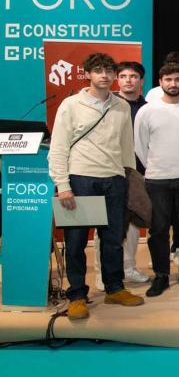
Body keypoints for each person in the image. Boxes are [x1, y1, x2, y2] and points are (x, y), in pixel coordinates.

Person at [49, 53, 145, 319]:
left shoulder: (121, 106)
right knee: (77, 240)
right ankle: (77, 295)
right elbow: (58, 148)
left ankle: (114, 288)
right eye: (98, 70)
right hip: (80, 179)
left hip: (114, 180)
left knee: (114, 240)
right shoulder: (70, 105)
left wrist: (130, 180)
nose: (105, 75)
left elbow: (127, 147)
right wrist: (63, 185)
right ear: (88, 74)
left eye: (109, 71)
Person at [134, 62, 179, 296]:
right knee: (158, 230)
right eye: (168, 80)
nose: (173, 84)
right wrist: (155, 167)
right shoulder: (147, 110)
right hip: (157, 179)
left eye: (177, 79)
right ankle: (161, 275)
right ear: (160, 82)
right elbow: (140, 146)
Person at [92, 60, 151, 290]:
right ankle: (102, 272)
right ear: (118, 79)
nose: (129, 80)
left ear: (141, 81)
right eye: (124, 76)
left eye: (133, 76)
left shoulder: (147, 108)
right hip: (107, 172)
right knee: (104, 225)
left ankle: (128, 267)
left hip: (137, 173)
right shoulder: (108, 105)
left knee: (134, 223)